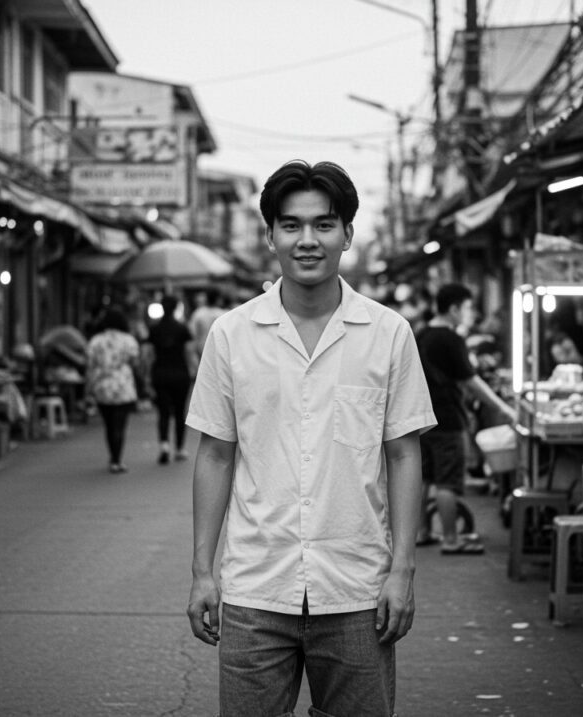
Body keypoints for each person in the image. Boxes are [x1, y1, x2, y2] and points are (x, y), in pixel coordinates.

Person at [185, 159, 436, 717]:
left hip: (357, 591)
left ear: (347, 234)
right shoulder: (231, 334)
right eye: (292, 225)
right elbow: (215, 456)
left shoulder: (389, 334)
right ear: (271, 233)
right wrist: (203, 571)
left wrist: (403, 570)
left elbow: (402, 453)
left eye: (324, 224)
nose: (307, 240)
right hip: (255, 588)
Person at [415, 283, 517, 554]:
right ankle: (451, 539)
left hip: (422, 419)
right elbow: (471, 381)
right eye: (468, 307)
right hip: (448, 419)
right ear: (454, 308)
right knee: (448, 482)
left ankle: (421, 532)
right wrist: (503, 408)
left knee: (424, 478)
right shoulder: (451, 338)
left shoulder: (421, 334)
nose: (471, 313)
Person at [86, 306, 140, 473]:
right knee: (120, 424)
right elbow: (135, 363)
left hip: (102, 385)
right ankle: (117, 459)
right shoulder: (129, 340)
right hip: (122, 385)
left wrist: (88, 387)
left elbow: (89, 365)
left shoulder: (96, 340)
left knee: (108, 424)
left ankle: (112, 457)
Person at [145, 295, 197, 464]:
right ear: (176, 308)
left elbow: (148, 355)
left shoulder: (154, 329)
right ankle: (180, 448)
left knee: (163, 411)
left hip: (159, 373)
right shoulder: (182, 328)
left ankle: (164, 445)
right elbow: (189, 352)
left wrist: (146, 376)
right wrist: (196, 370)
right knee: (180, 411)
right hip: (180, 374)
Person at [188, 289, 227, 357]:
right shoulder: (223, 314)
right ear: (218, 299)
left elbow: (192, 332)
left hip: (202, 347)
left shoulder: (198, 313)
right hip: (220, 348)